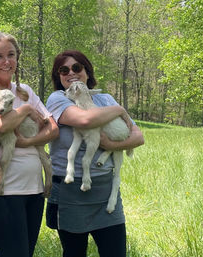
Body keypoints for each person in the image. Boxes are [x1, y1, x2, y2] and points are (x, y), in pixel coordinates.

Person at [0, 31, 59, 257]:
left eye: (11, 55)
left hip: (34, 187)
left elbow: (53, 128)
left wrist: (27, 141)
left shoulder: (25, 91)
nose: (6, 61)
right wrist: (27, 109)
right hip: (0, 190)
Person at [45, 50, 145, 257]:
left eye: (77, 68)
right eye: (63, 70)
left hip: (106, 191)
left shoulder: (106, 99)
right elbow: (84, 120)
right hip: (71, 192)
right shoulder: (58, 98)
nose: (71, 73)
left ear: (87, 72)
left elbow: (138, 137)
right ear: (58, 76)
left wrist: (109, 143)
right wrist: (119, 110)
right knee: (74, 253)